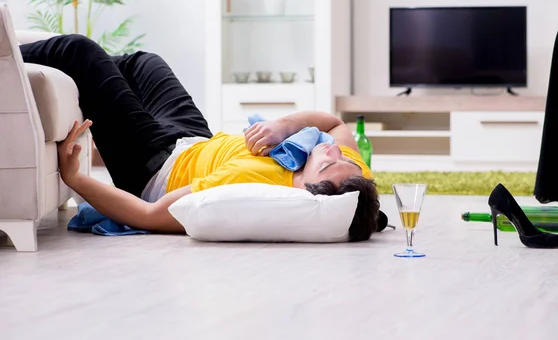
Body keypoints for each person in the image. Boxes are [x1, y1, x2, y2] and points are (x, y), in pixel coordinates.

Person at [20, 34, 380, 241]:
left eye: (328, 162)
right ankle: (43, 72)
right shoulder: (352, 176)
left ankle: (10, 59)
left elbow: (148, 214)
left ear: (307, 190)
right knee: (143, 62)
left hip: (151, 166)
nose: (332, 150)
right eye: (344, 157)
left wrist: (75, 179)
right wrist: (284, 125)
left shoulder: (250, 186)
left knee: (79, 52)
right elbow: (333, 124)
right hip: (194, 138)